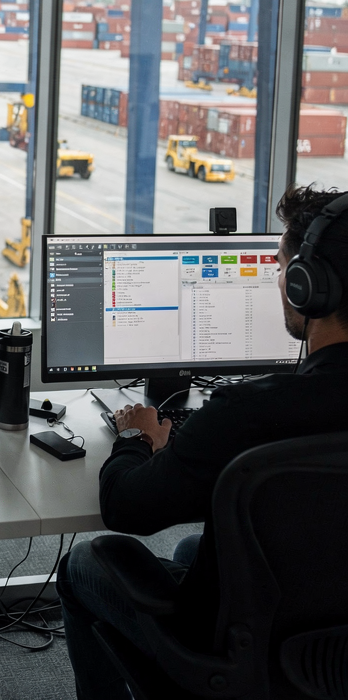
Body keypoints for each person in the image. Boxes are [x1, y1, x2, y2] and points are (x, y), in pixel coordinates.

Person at [56, 184, 348, 700]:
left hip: (236, 657)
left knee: (84, 562)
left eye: (280, 268)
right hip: (332, 652)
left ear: (308, 285)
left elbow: (127, 509)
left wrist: (133, 438)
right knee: (197, 546)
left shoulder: (248, 413)